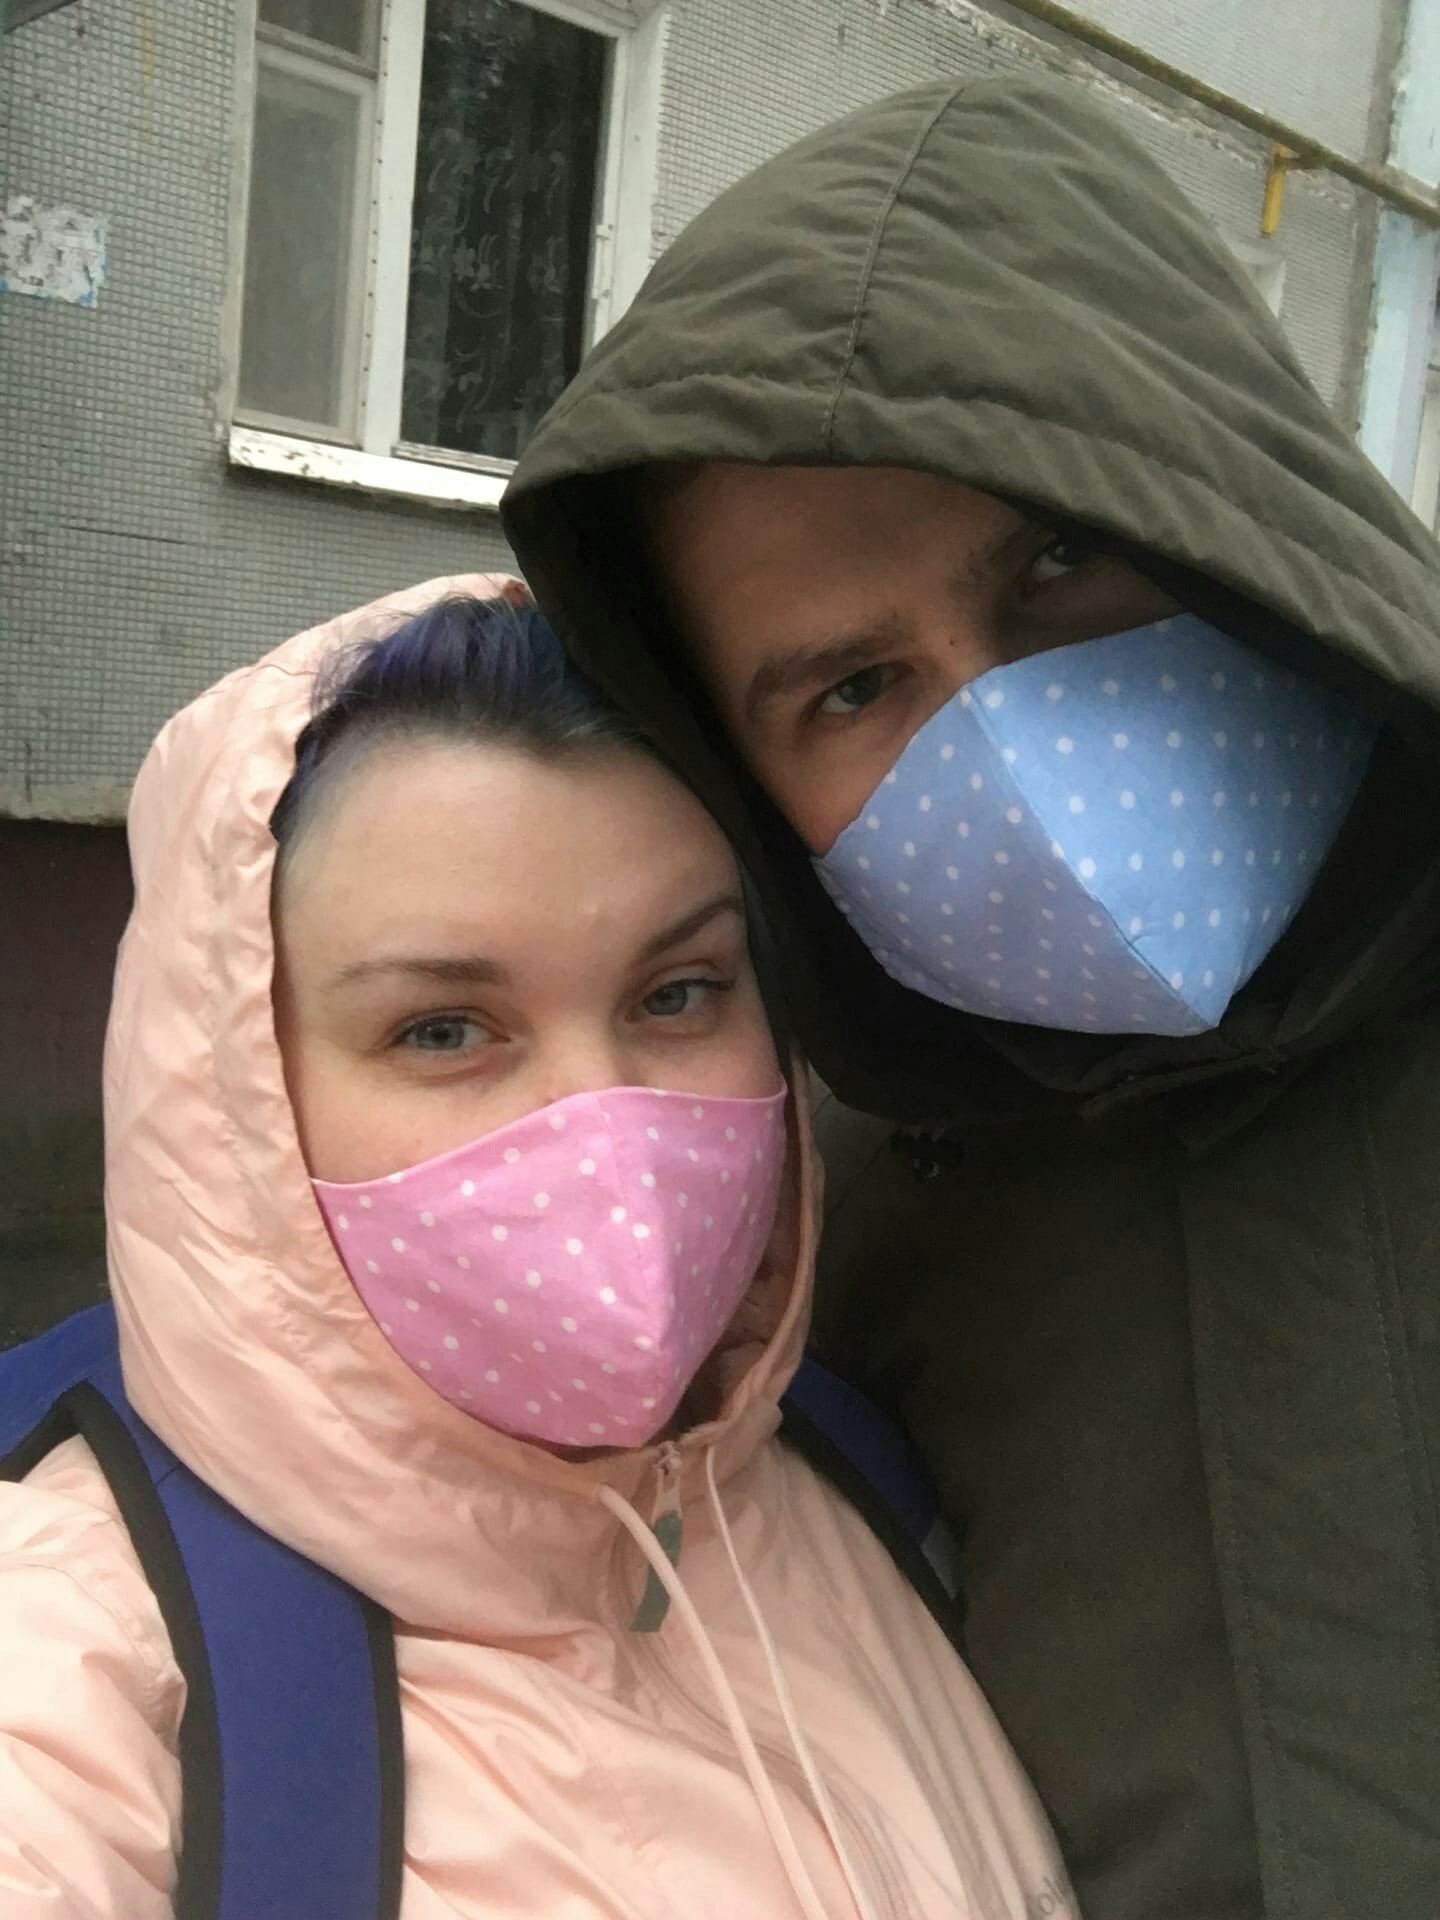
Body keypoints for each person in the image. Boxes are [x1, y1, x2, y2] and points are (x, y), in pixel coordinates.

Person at [502, 72, 1440, 1920]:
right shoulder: (799, 1245)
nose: (1012, 738)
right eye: (851, 689)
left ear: (1243, 504)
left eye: (1060, 561)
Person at [0, 580, 1077, 1919]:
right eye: (444, 1029)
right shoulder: (78, 1664)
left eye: (678, 993)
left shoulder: (851, 1478)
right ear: (234, 1093)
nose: (602, 1127)